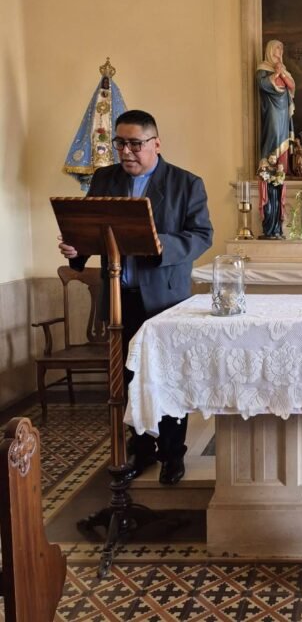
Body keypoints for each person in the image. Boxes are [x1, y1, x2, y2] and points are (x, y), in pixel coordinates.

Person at [58, 109, 213, 484]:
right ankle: (140, 450)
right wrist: (76, 250)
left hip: (164, 300)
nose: (126, 151)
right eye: (120, 143)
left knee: (169, 378)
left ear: (156, 144)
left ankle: (172, 455)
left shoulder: (185, 183)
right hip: (118, 297)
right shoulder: (105, 179)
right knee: (128, 378)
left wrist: (159, 244)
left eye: (135, 144)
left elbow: (201, 235)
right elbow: (89, 229)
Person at [257, 40, 294, 237]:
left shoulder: (284, 69)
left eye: (282, 48)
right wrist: (277, 73)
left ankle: (279, 166)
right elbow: (263, 85)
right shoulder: (263, 69)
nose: (280, 51)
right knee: (272, 131)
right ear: (270, 50)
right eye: (277, 48)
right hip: (271, 110)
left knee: (282, 139)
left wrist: (283, 73)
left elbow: (292, 88)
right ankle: (269, 161)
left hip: (283, 113)